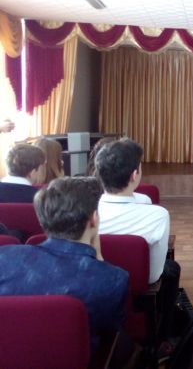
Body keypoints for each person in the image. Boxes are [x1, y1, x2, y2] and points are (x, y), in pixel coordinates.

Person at [0, 177, 129, 349]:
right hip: (76, 357)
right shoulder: (113, 279)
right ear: (94, 219)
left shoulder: (4, 256)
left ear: (42, 219)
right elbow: (112, 334)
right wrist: (99, 259)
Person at [95, 138, 179, 340]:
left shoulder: (87, 211)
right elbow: (154, 274)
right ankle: (164, 337)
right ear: (135, 175)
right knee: (172, 268)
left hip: (96, 289)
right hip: (140, 290)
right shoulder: (157, 214)